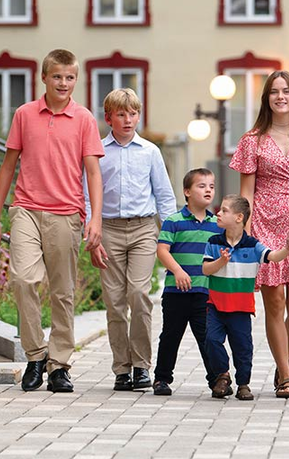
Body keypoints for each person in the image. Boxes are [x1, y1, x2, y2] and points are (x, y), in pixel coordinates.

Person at [0, 49, 105, 393]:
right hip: (25, 209)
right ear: (44, 78)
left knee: (63, 292)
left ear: (76, 80)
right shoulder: (24, 115)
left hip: (67, 214)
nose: (63, 83)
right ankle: (36, 354)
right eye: (57, 76)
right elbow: (8, 166)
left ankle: (59, 366)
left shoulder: (84, 119)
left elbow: (93, 173)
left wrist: (95, 217)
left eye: (69, 77)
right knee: (24, 280)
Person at [230, 71, 289, 398]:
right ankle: (284, 374)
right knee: (275, 303)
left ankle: (287, 353)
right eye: (274, 92)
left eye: (286, 91)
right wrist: (246, 235)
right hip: (265, 224)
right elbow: (246, 194)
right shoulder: (252, 140)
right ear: (266, 98)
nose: (280, 97)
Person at [84, 88, 176, 391]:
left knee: (138, 294)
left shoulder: (149, 152)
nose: (127, 119)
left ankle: (141, 366)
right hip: (108, 229)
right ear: (109, 117)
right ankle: (121, 369)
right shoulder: (97, 151)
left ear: (139, 115)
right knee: (114, 302)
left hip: (143, 230)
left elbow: (163, 194)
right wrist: (91, 233)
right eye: (121, 114)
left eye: (132, 113)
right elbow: (86, 196)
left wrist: (171, 234)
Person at [203, 195, 289, 400]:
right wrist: (220, 262)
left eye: (224, 210)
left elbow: (272, 256)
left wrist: (288, 249)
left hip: (241, 309)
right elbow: (206, 269)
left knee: (243, 347)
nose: (219, 212)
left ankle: (243, 384)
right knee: (211, 340)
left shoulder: (252, 245)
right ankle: (223, 375)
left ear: (238, 217)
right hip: (216, 306)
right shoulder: (214, 242)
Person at [152, 169, 223, 396]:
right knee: (171, 335)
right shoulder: (174, 221)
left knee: (207, 337)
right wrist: (178, 271)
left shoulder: (217, 225)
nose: (208, 190)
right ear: (187, 192)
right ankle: (162, 379)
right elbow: (162, 250)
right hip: (176, 292)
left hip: (205, 292)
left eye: (211, 186)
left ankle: (217, 379)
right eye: (201, 186)